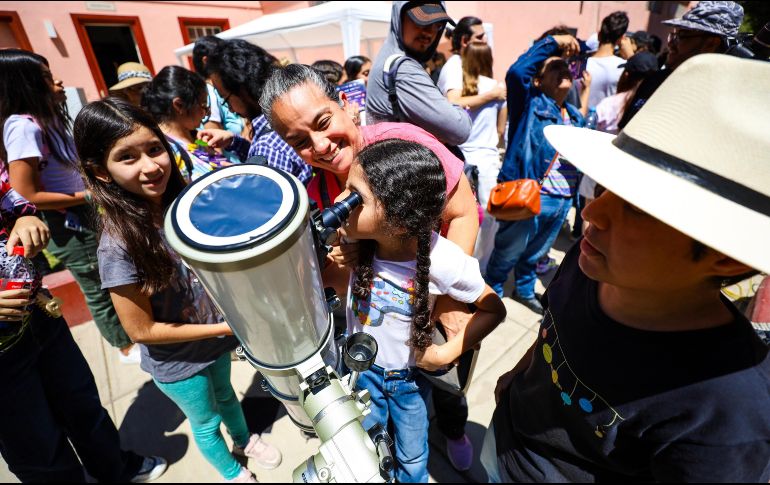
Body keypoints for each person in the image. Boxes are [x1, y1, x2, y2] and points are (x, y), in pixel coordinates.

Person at [483, 53, 770, 483]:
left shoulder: (727, 411)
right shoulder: (592, 264)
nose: (594, 212)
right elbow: (553, 329)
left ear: (725, 257)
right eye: (604, 186)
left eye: (636, 208)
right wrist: (520, 374)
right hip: (503, 445)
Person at [256, 63, 482, 470]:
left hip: (438, 295)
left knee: (447, 383)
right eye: (301, 141)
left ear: (346, 105)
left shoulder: (403, 146)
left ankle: (452, 431)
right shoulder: (319, 189)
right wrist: (339, 264)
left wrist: (445, 299)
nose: (321, 145)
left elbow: (464, 211)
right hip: (387, 320)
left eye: (323, 122)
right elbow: (342, 278)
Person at [73, 98, 283, 484]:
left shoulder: (181, 205)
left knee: (226, 396)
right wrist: (225, 328)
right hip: (178, 363)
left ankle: (244, 440)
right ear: (100, 172)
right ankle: (233, 473)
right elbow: (141, 331)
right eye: (127, 157)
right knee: (205, 423)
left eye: (155, 149)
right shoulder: (118, 244)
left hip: (214, 341)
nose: (151, 166)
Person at [327, 138, 506, 483]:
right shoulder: (356, 239)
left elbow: (493, 309)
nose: (339, 202)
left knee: (412, 455)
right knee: (368, 445)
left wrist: (446, 353)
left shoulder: (444, 260)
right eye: (345, 188)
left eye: (354, 197)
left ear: (399, 221)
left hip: (406, 380)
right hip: (362, 371)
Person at [0, 180, 168, 482]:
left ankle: (115, 468)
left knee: (83, 405)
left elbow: (11, 196)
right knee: (40, 452)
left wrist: (24, 216)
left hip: (38, 312)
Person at [0, 49, 138, 364]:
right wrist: (84, 197)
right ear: (26, 85)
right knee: (98, 285)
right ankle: (125, 346)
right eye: (47, 78)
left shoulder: (44, 121)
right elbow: (25, 195)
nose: (58, 81)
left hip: (79, 215)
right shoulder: (24, 127)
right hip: (68, 222)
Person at [486, 34, 589, 315]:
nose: (563, 70)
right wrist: (553, 42)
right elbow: (517, 72)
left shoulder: (575, 116)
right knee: (507, 251)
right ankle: (491, 291)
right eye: (553, 68)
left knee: (534, 254)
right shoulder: (530, 105)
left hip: (561, 199)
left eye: (566, 67)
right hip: (530, 194)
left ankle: (524, 289)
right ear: (538, 80)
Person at [200, 39, 312, 185]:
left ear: (242, 90)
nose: (229, 108)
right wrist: (234, 141)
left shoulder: (267, 148)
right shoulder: (283, 116)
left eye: (225, 98)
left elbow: (268, 201)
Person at [618, 1, 744, 128]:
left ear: (711, 43)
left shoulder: (723, 103)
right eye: (673, 35)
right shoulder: (654, 80)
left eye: (681, 36)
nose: (671, 44)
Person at [366, 1, 472, 148]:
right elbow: (460, 130)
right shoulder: (403, 69)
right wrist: (456, 108)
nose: (429, 32)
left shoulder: (390, 59)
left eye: (437, 25)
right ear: (400, 18)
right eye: (421, 22)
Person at [578, 51, 659, 210]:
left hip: (600, 168)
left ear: (627, 74)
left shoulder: (610, 104)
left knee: (591, 211)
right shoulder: (656, 106)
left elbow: (587, 129)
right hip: (633, 173)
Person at [457, 43, 507, 274]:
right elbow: (500, 130)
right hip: (487, 162)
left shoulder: (458, 90)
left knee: (462, 215)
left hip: (462, 158)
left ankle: (462, 266)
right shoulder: (496, 89)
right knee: (488, 218)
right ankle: (480, 269)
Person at [141, 65, 226, 182]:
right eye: (203, 105)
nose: (207, 113)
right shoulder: (167, 151)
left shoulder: (197, 137)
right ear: (179, 105)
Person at [192, 35, 246, 163]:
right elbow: (213, 142)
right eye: (223, 56)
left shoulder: (218, 89)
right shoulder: (209, 93)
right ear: (206, 61)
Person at [437, 16, 506, 113]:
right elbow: (453, 102)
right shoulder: (454, 65)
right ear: (464, 41)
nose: (484, 41)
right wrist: (492, 95)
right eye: (479, 37)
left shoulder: (468, 64)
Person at [585, 11, 632, 109]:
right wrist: (631, 56)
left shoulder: (579, 64)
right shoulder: (624, 67)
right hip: (608, 122)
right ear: (621, 39)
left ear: (598, 35)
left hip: (577, 121)